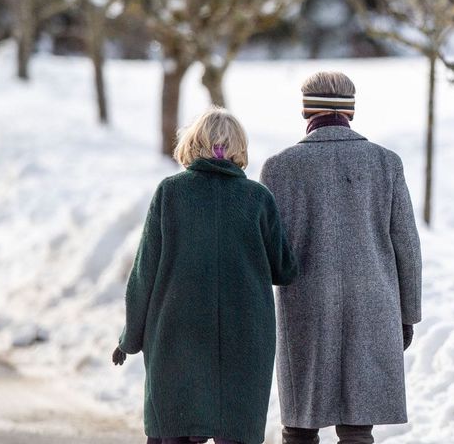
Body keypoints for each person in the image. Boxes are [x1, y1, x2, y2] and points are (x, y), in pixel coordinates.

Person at [113, 107, 300, 444]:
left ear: (193, 144)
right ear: (239, 148)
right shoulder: (258, 199)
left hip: (177, 335)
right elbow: (285, 269)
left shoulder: (170, 194)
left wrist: (130, 338)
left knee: (176, 429)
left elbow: (144, 273)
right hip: (244, 338)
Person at [261, 71, 423, 444]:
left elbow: (267, 249)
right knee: (357, 426)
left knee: (300, 426)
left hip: (305, 306)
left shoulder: (280, 167)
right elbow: (407, 246)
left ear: (307, 111)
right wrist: (408, 314)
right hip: (374, 305)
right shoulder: (386, 163)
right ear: (351, 108)